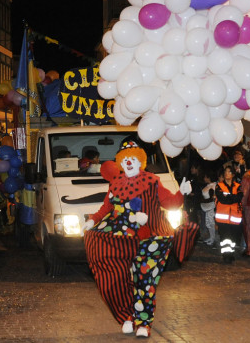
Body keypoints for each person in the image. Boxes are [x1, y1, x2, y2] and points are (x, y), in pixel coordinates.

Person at [82, 141, 195, 338]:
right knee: (114, 276)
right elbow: (106, 207)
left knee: (145, 279)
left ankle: (144, 322)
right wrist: (93, 221)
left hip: (153, 237)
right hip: (124, 237)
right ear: (120, 163)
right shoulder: (116, 183)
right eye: (124, 159)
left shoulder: (152, 181)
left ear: (140, 162)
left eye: (132, 159)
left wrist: (181, 193)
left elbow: (171, 203)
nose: (128, 162)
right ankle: (127, 316)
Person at [215, 166, 243, 263]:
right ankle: (226, 256)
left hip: (235, 217)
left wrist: (229, 197)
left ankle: (231, 254)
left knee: (233, 238)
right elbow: (222, 199)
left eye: (229, 172)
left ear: (233, 175)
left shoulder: (238, 186)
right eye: (226, 172)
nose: (227, 173)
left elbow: (239, 197)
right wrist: (232, 198)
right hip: (223, 218)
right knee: (225, 237)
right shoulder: (219, 186)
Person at [200, 170, 217, 246]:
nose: (204, 178)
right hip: (206, 206)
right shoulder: (208, 185)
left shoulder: (213, 185)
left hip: (211, 207)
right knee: (208, 223)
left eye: (205, 177)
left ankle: (213, 239)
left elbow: (213, 197)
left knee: (211, 223)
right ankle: (211, 237)